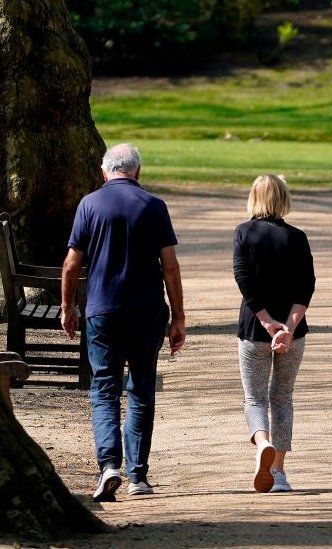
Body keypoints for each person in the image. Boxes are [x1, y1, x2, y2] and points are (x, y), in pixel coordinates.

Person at [60, 143, 186, 502]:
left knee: (104, 388)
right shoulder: (154, 206)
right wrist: (178, 317)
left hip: (102, 310)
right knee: (141, 389)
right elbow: (170, 266)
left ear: (105, 172)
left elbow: (71, 264)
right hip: (147, 311)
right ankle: (138, 476)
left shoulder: (90, 204)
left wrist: (67, 306)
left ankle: (109, 465)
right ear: (138, 172)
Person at [233, 174, 315, 493]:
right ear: (283, 198)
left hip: (254, 328)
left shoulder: (243, 233)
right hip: (294, 332)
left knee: (254, 397)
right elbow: (306, 286)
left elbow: (245, 282)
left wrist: (268, 324)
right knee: (282, 396)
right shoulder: (297, 237)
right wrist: (288, 328)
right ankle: (279, 472)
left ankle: (262, 443)